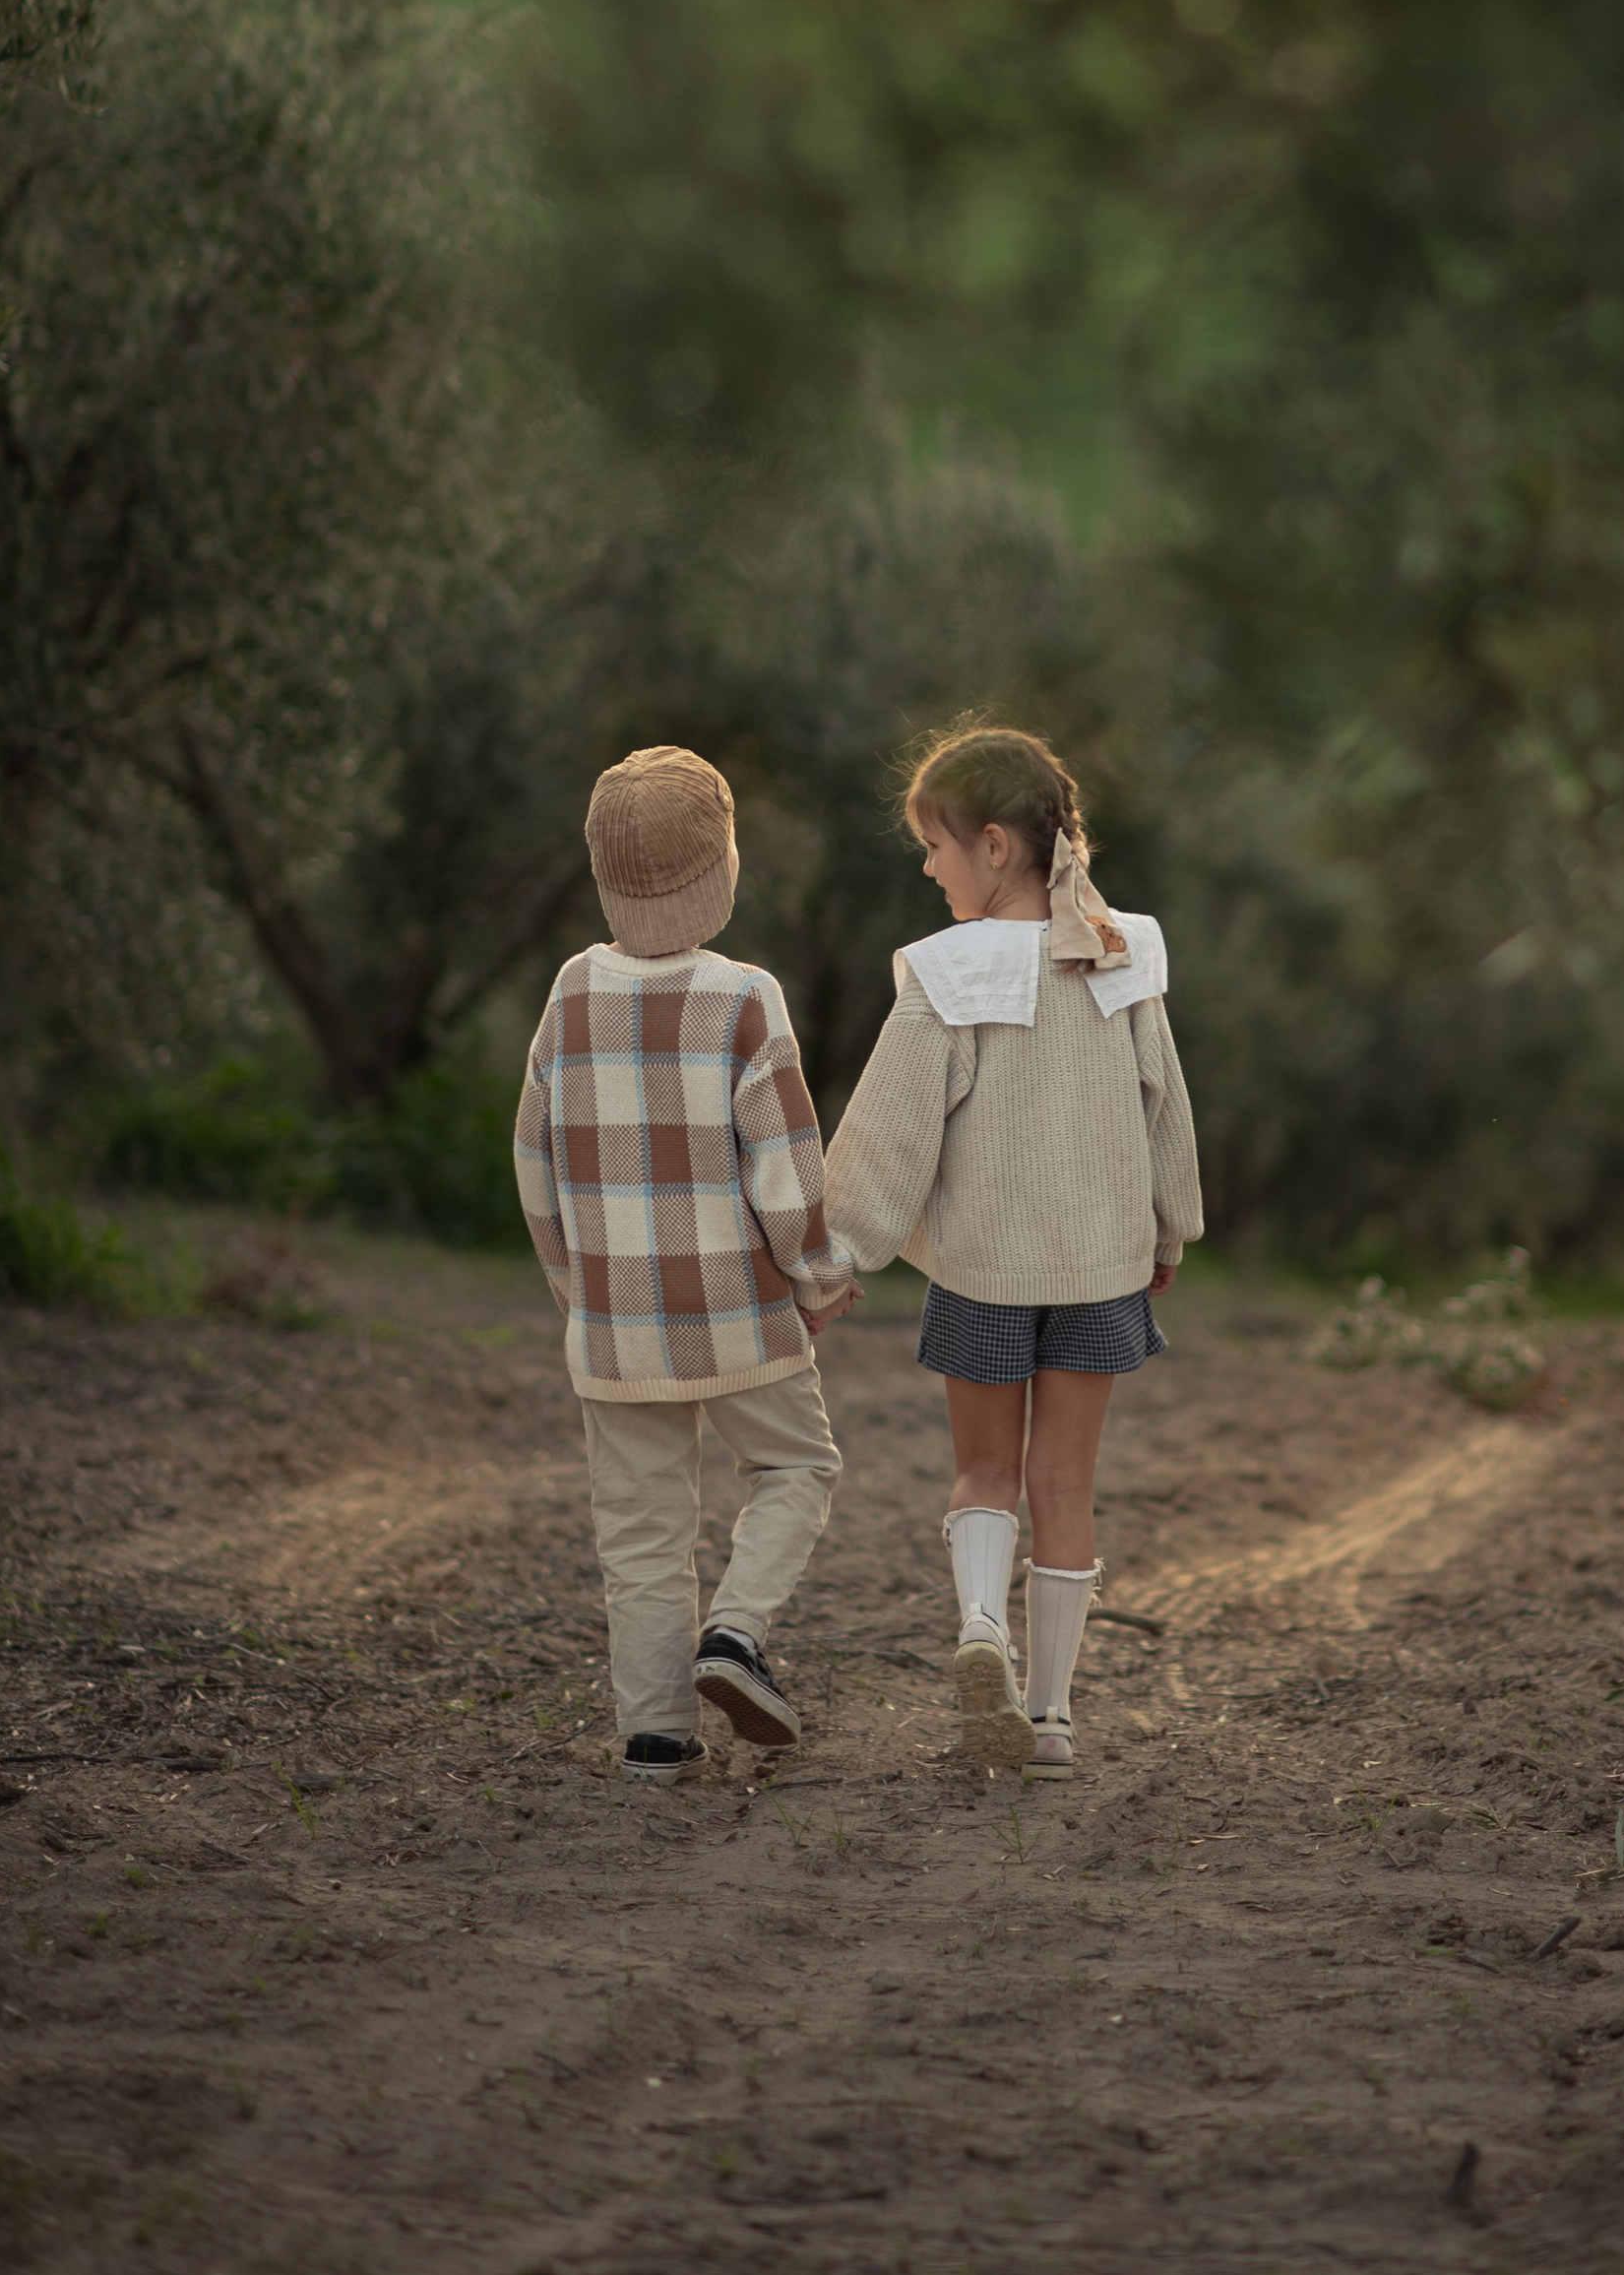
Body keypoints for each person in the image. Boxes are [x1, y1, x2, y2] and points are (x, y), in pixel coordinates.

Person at [823, 720, 1202, 1779]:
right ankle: (1051, 1717)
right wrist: (1170, 1223)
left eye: (934, 845)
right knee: (1065, 1483)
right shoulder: (1123, 950)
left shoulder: (949, 972)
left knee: (982, 1469)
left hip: (985, 1270)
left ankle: (982, 1622)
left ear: (994, 845)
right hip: (1100, 1268)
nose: (928, 867)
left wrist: (835, 1249)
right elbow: (1165, 1103)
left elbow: (889, 1131)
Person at [514, 744, 859, 1784]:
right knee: (798, 1467)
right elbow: (786, 1168)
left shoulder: (570, 992)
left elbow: (534, 1159)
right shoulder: (744, 997)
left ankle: (656, 1736)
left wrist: (578, 1291)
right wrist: (819, 1277)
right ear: (723, 871)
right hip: (738, 1313)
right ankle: (736, 1633)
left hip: (615, 1326)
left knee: (640, 1530)